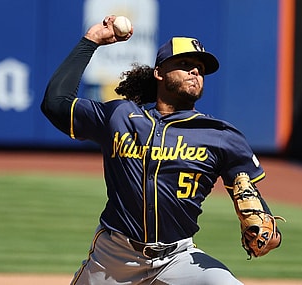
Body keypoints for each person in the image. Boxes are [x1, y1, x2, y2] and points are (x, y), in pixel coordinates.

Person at [41, 15, 282, 285]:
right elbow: (55, 103)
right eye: (185, 64)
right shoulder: (120, 116)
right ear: (159, 73)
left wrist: (270, 232)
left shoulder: (220, 135)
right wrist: (91, 41)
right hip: (115, 257)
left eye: (200, 69)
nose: (195, 72)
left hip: (179, 258)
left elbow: (248, 194)